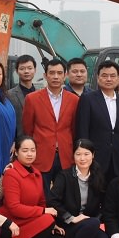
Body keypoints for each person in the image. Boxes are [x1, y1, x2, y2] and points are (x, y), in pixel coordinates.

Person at [0, 136, 64, 238]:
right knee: (47, 218)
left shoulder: (37, 173)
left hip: (30, 219)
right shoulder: (11, 173)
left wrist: (51, 223)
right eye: (25, 150)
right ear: (16, 152)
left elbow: (42, 202)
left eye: (33, 150)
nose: (29, 154)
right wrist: (43, 213)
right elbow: (14, 208)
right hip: (14, 222)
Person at [49, 139, 109, 238]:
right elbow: (52, 201)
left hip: (89, 224)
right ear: (73, 156)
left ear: (93, 155)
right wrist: (71, 218)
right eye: (78, 154)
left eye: (86, 154)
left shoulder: (98, 176)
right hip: (68, 225)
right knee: (93, 223)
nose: (82, 158)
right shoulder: (64, 176)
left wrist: (95, 219)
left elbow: (104, 204)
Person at [22, 57, 79, 196]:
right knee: (42, 196)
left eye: (59, 73)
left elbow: (74, 129)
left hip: (66, 155)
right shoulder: (32, 98)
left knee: (65, 196)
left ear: (65, 75)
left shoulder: (74, 99)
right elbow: (28, 129)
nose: (55, 76)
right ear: (45, 75)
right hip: (41, 155)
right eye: (52, 73)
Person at [75, 60, 119, 182]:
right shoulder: (88, 99)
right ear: (98, 77)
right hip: (95, 159)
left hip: (118, 159)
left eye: (112, 76)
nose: (109, 79)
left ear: (118, 78)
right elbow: (82, 131)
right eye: (104, 75)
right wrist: (85, 157)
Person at [5, 54, 38, 137]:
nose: (26, 71)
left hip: (39, 139)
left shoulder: (42, 94)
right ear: (16, 71)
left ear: (35, 70)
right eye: (22, 68)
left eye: (30, 68)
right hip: (19, 140)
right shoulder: (9, 95)